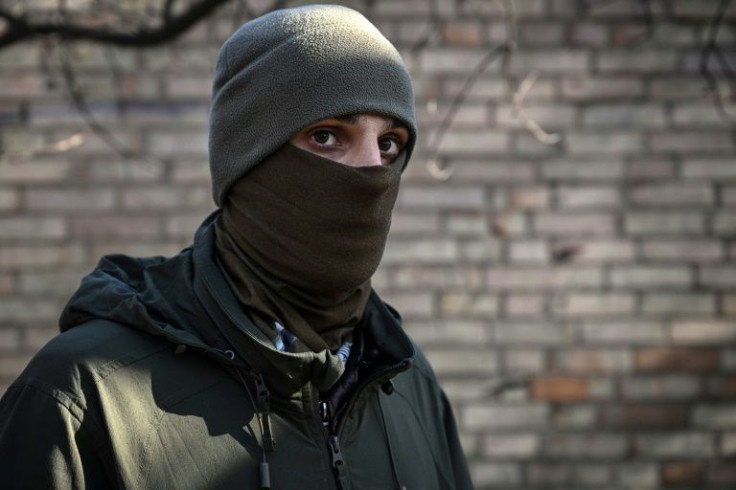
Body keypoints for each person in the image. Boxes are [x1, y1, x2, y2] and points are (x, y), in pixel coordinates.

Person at [0, 5, 473, 489]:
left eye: (390, 143)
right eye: (327, 136)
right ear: (247, 162)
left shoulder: (406, 381)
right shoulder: (84, 398)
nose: (371, 171)